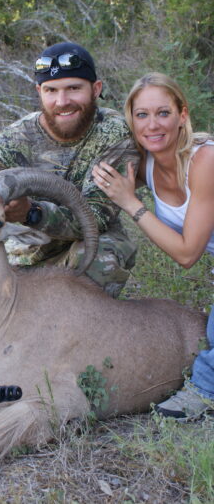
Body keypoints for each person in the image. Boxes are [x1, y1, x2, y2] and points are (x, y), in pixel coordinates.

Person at [92, 72, 214, 420]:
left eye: (163, 113)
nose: (152, 125)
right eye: (141, 115)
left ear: (183, 116)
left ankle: (204, 392)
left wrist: (132, 204)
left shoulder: (205, 161)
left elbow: (188, 253)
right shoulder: (145, 164)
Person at [0, 41, 140, 298]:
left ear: (95, 89)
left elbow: (96, 217)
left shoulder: (114, 134)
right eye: (51, 90)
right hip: (20, 253)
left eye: (74, 88)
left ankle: (83, 330)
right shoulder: (10, 141)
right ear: (39, 92)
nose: (62, 101)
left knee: (104, 257)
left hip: (81, 245)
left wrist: (32, 212)